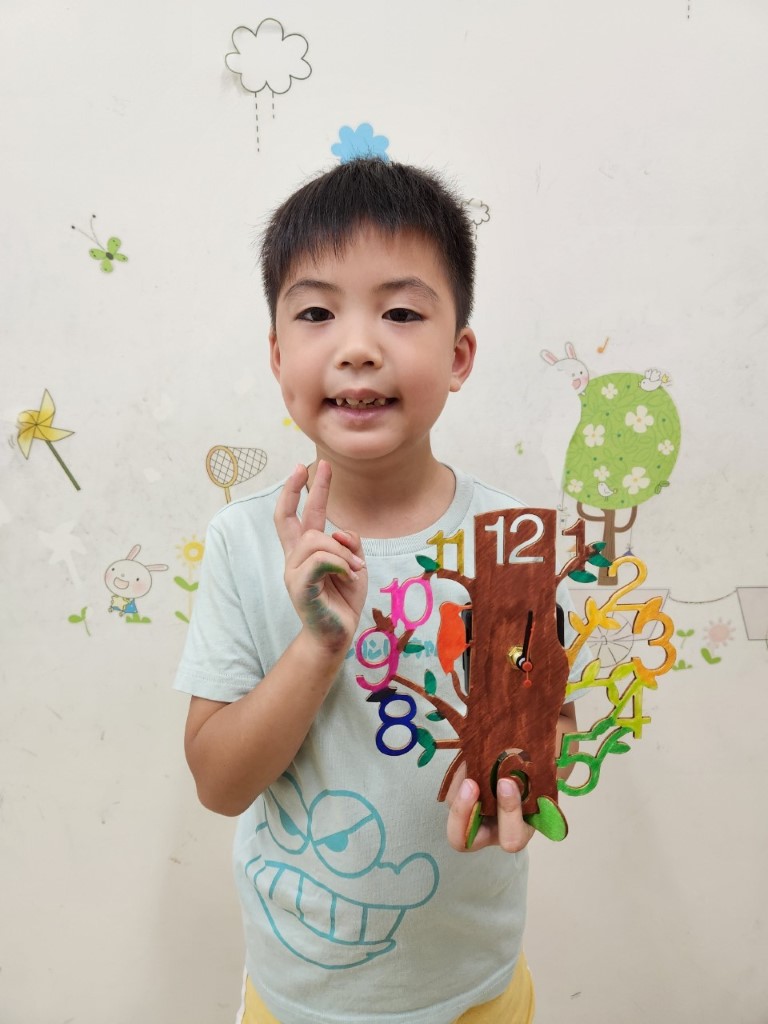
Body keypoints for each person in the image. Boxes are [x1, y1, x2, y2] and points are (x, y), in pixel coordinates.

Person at [175, 157, 590, 1024]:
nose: (358, 346)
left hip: (476, 989)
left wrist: (532, 769)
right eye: (317, 313)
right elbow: (219, 784)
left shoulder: (509, 540)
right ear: (278, 354)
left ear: (459, 354)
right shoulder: (244, 541)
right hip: (299, 999)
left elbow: (544, 730)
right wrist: (319, 645)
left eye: (401, 313)